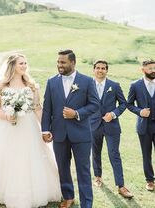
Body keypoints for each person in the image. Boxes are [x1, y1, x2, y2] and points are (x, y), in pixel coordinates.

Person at [0, 54, 61, 208]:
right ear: (12, 66)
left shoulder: (32, 86)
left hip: (29, 128)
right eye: (21, 63)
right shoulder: (1, 86)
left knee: (31, 156)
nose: (24, 66)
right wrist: (6, 116)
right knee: (8, 157)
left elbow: (37, 108)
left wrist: (45, 129)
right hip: (7, 128)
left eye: (25, 63)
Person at [41, 49, 99, 208]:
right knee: (63, 168)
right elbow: (47, 108)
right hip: (59, 134)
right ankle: (68, 196)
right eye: (58, 62)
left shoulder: (87, 81)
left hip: (81, 134)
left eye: (63, 62)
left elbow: (95, 105)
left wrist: (77, 113)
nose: (59, 65)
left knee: (83, 170)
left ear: (73, 63)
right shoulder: (51, 81)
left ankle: (86, 203)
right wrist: (45, 129)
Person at [90, 60, 133, 198]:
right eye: (98, 68)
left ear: (107, 70)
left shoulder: (114, 85)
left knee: (114, 154)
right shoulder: (87, 85)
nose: (100, 70)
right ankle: (97, 176)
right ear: (94, 70)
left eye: (103, 68)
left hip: (112, 126)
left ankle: (121, 186)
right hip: (93, 125)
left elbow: (123, 104)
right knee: (95, 152)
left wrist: (113, 114)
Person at [127, 59, 155, 191]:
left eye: (154, 68)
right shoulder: (135, 85)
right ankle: (150, 180)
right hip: (144, 126)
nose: (153, 71)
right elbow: (129, 104)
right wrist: (140, 111)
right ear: (143, 70)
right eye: (150, 68)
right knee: (146, 154)